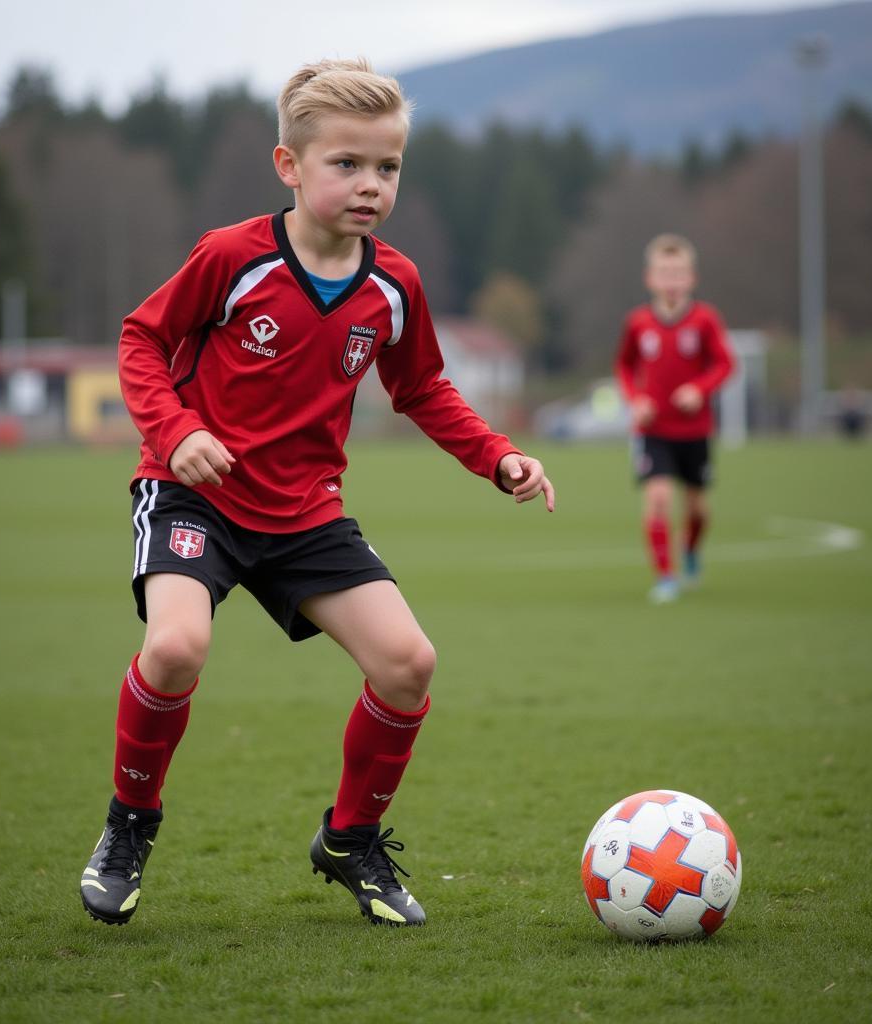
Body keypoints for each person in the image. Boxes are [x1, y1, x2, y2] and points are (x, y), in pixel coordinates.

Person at [80, 59, 554, 930]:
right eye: (347, 164)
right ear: (289, 166)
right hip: (197, 499)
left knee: (408, 666)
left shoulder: (393, 284)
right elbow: (142, 339)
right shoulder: (233, 257)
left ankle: (349, 840)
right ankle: (129, 824)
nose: (370, 185)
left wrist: (498, 457)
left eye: (389, 167)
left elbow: (423, 390)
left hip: (305, 514)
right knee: (178, 647)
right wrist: (178, 432)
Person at [614, 234, 734, 604]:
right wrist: (636, 400)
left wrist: (699, 389)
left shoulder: (705, 320)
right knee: (659, 497)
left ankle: (692, 550)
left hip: (695, 431)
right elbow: (624, 365)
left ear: (691, 278)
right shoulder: (638, 323)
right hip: (654, 431)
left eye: (678, 273)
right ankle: (665, 576)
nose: (671, 280)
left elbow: (726, 363)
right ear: (650, 278)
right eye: (664, 272)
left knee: (697, 507)